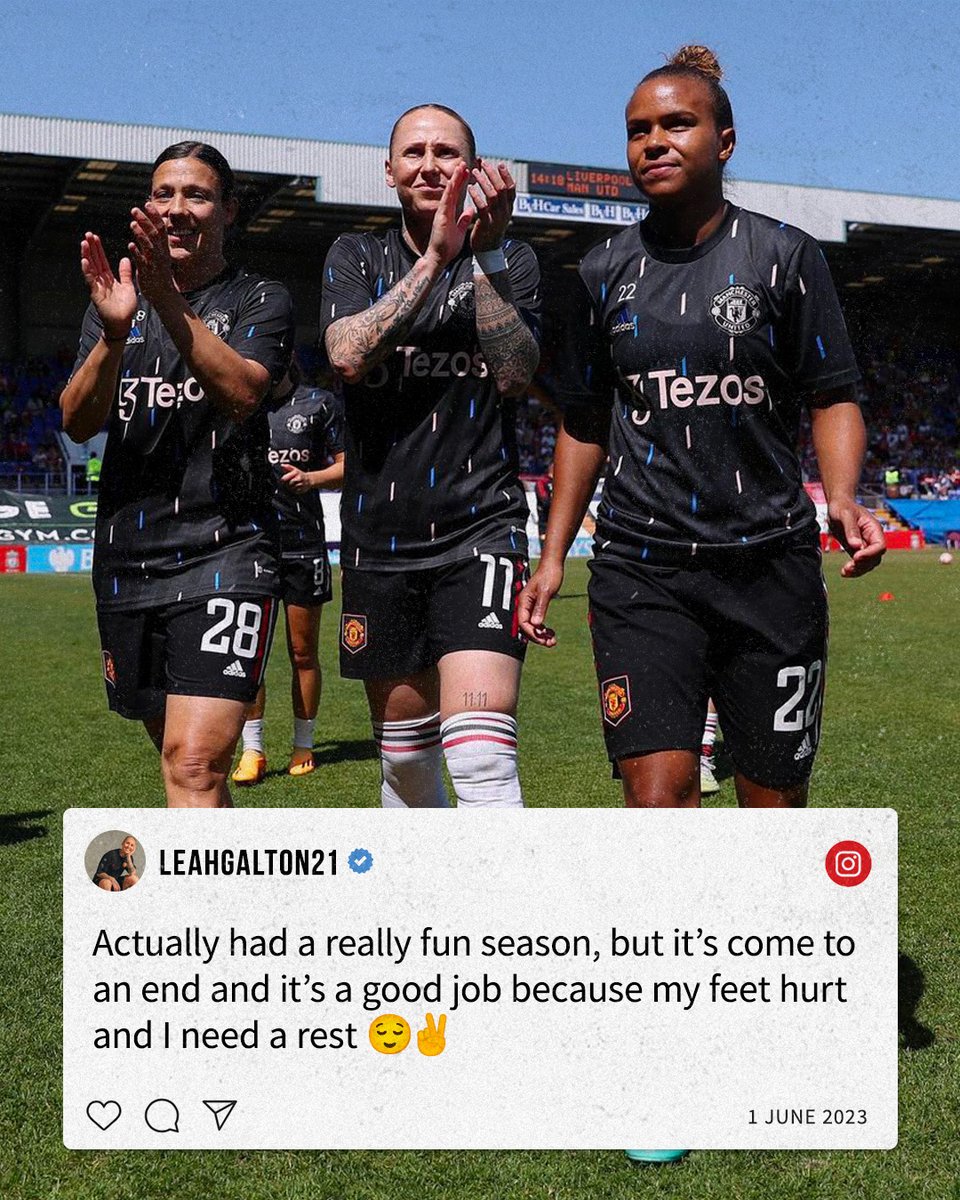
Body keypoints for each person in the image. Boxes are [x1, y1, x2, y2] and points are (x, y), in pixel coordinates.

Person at [519, 45, 886, 1159]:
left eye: (675, 126)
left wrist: (842, 496)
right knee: (658, 802)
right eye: (637, 130)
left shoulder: (785, 258)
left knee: (769, 824)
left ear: (725, 141)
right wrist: (552, 556)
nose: (653, 145)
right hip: (642, 570)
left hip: (771, 566)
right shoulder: (597, 276)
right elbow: (583, 420)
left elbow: (833, 390)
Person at [61, 142, 295, 808]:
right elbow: (77, 422)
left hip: (228, 549)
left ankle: (197, 914)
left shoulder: (260, 298)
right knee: (181, 768)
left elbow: (244, 393)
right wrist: (111, 335)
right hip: (128, 561)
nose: (177, 209)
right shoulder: (114, 302)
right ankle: (236, 909)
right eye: (163, 194)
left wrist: (165, 300)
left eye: (195, 195)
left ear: (228, 208)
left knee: (194, 764)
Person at [319, 104, 540, 808]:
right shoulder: (354, 255)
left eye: (447, 152)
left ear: (471, 171)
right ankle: (421, 910)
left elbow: (515, 375)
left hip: (481, 529)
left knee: (479, 758)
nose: (429, 164)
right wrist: (437, 257)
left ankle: (503, 918)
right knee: (406, 765)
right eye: (413, 152)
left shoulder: (512, 258)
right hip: (379, 540)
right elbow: (348, 354)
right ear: (389, 171)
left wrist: (482, 257)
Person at [232, 380, 345, 784]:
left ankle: (303, 745)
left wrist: (312, 479)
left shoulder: (319, 402)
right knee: (249, 655)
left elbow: (349, 466)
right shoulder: (239, 397)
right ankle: (253, 750)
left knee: (302, 652)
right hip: (252, 547)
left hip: (303, 545)